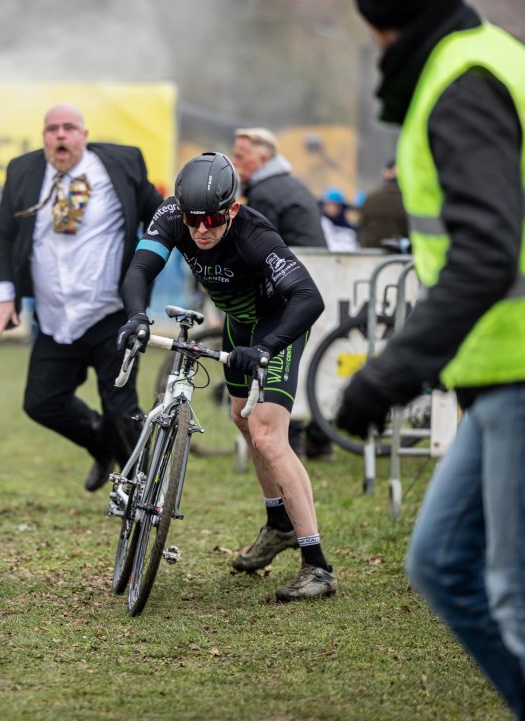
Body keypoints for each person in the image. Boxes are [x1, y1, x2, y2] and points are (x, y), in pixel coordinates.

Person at [337, 1, 525, 715]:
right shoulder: (486, 58)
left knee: (514, 597)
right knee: (441, 563)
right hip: (495, 373)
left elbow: (485, 254)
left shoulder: (460, 82)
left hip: (517, 370)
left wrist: (389, 372)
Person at [119, 152, 337, 601]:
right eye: (193, 220)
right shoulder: (173, 213)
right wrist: (137, 316)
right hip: (240, 321)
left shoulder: (255, 235)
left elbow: (309, 298)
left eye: (213, 220)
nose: (201, 229)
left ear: (232, 209)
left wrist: (265, 348)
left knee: (268, 435)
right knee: (241, 420)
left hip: (277, 327)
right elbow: (141, 267)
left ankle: (318, 566)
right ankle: (279, 525)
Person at [0, 103, 162, 492]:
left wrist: (152, 264)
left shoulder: (123, 163)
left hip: (110, 312)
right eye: (52, 129)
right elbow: (1, 235)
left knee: (121, 408)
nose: (60, 136)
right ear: (44, 137)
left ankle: (144, 493)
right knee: (41, 402)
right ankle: (102, 445)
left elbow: (160, 216)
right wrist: (4, 295)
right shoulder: (24, 171)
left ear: (84, 134)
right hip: (55, 315)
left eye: (68, 128)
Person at [231, 126, 334, 461]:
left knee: (285, 366)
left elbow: (258, 250)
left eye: (241, 156)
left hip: (295, 289)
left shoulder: (264, 192)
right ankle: (317, 438)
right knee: (316, 360)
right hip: (317, 277)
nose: (235, 162)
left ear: (262, 159)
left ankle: (295, 439)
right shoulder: (286, 182)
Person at [357, 159, 409, 250]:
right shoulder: (408, 199)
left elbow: (362, 226)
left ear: (385, 173)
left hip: (370, 255)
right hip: (401, 257)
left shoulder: (371, 198)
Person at [319, 187, 359, 252]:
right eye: (330, 205)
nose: (332, 209)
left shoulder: (348, 229)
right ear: (323, 206)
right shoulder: (319, 224)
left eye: (336, 206)